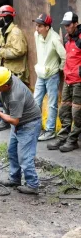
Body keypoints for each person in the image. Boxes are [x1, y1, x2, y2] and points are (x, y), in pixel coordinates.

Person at [0, 67, 42, 195]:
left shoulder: (15, 95)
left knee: (25, 157)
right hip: (19, 123)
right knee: (12, 151)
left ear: (6, 85)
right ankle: (15, 179)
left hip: (29, 123)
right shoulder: (8, 78)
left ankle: (32, 185)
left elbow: (14, 121)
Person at [0, 5, 29, 131]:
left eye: (0, 17)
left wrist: (1, 52)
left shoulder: (16, 32)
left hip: (13, 70)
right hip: (3, 68)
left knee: (8, 97)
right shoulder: (1, 31)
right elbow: (1, 48)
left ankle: (5, 120)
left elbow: (19, 51)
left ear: (7, 18)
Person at [47, 12, 81, 152]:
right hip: (68, 80)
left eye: (68, 25)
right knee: (64, 110)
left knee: (77, 113)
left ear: (75, 24)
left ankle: (73, 141)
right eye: (65, 25)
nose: (66, 28)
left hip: (79, 81)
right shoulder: (67, 39)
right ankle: (63, 138)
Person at [33, 13, 66, 141]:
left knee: (52, 104)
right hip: (40, 75)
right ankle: (35, 128)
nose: (37, 28)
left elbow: (64, 56)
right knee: (35, 103)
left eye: (40, 26)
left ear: (47, 27)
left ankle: (50, 130)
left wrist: (59, 69)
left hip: (52, 76)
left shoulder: (55, 39)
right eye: (36, 25)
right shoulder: (37, 35)